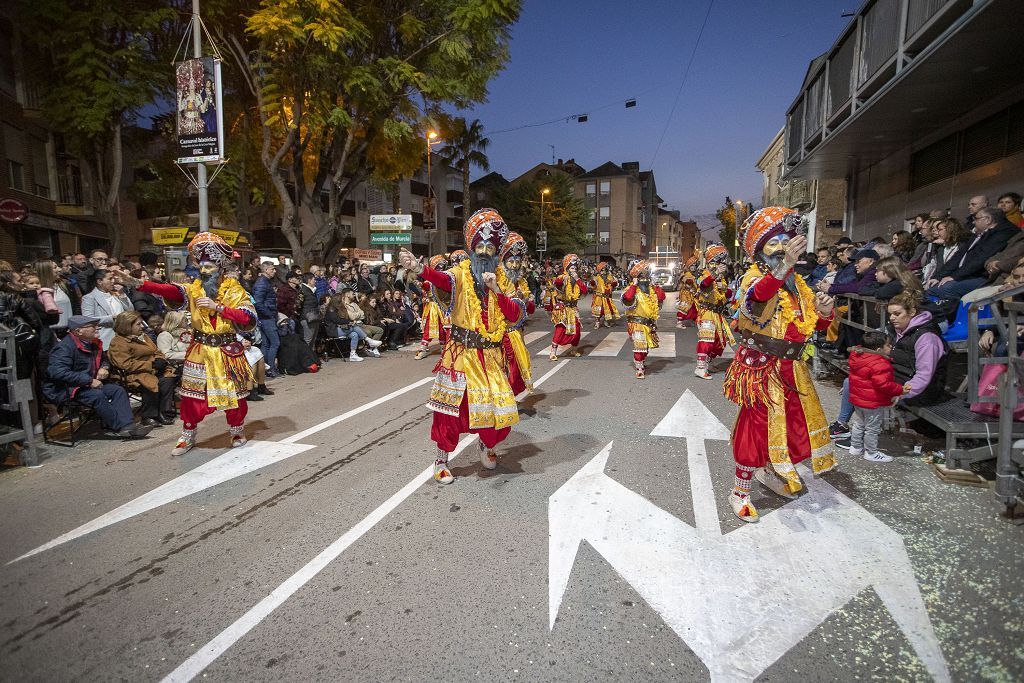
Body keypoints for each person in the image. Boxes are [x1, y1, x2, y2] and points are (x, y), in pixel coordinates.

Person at [723, 207, 837, 522]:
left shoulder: (798, 284)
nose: (785, 246)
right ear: (761, 250)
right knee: (756, 429)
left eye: (788, 240)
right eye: (776, 242)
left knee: (790, 427)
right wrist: (785, 264)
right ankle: (739, 492)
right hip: (761, 368)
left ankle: (772, 471)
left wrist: (825, 311)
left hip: (792, 368)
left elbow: (807, 326)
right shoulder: (755, 277)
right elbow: (757, 300)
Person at [398, 208, 526, 483]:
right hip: (460, 356)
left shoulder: (503, 280)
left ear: (495, 251)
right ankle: (441, 460)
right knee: (450, 414)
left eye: (489, 247)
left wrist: (497, 291)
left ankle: (486, 444)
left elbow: (515, 315)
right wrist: (421, 269)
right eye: (478, 246)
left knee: (497, 412)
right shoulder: (460, 272)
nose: (483, 251)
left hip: (491, 358)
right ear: (471, 247)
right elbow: (444, 281)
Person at [113, 233, 258, 455]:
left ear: (219, 267)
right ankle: (187, 435)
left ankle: (237, 431)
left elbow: (247, 318)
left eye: (208, 267)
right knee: (192, 398)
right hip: (199, 350)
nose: (203, 271)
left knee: (234, 396)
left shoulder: (235, 290)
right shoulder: (194, 288)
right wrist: (140, 284)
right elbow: (170, 290)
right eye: (201, 266)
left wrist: (218, 307)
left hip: (226, 350)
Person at [43, 315, 153, 439]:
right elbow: (57, 372)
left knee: (117, 390)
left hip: (87, 385)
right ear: (78, 331)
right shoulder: (64, 348)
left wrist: (104, 367)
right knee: (97, 395)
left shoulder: (93, 343)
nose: (97, 328)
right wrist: (89, 380)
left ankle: (128, 425)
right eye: (92, 326)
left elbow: (104, 359)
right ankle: (121, 427)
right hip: (64, 388)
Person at [107, 311, 177, 427]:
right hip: (132, 374)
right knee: (150, 381)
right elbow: (124, 364)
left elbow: (156, 351)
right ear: (127, 326)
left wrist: (160, 360)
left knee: (167, 379)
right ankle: (148, 415)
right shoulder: (118, 342)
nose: (142, 326)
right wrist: (151, 365)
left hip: (152, 369)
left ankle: (163, 412)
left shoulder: (144, 337)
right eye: (138, 324)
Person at [847, 330, 907, 463]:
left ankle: (855, 447)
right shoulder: (880, 363)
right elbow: (883, 385)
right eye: (888, 345)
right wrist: (900, 390)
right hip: (872, 401)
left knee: (859, 423)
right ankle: (871, 452)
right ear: (879, 349)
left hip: (858, 399)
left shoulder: (858, 356)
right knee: (872, 428)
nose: (890, 347)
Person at [887, 292, 949, 407]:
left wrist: (902, 392)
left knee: (873, 390)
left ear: (912, 312)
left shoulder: (927, 338)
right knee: (855, 381)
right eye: (890, 314)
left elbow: (924, 375)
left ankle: (872, 424)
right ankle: (845, 422)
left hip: (924, 390)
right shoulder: (897, 331)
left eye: (897, 314)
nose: (891, 318)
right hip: (900, 377)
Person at [499, 233, 535, 394]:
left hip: (516, 331)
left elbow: (530, 310)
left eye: (517, 261)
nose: (514, 265)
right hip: (499, 331)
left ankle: (509, 396)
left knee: (516, 365)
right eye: (511, 261)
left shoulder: (521, 282)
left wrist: (526, 300)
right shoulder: (497, 279)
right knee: (504, 366)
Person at [694, 244, 734, 380]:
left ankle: (708, 363)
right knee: (706, 340)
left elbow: (727, 295)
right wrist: (715, 275)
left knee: (718, 341)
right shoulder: (703, 274)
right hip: (706, 312)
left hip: (717, 314)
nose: (721, 265)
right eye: (718, 262)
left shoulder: (721, 278)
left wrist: (725, 288)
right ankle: (700, 367)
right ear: (712, 263)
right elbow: (703, 284)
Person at [620, 259, 665, 379]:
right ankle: (639, 368)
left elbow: (661, 297)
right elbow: (628, 298)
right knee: (639, 346)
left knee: (646, 347)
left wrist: (656, 285)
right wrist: (634, 285)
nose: (644, 277)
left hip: (649, 323)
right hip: (636, 323)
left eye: (646, 274)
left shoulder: (651, 289)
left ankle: (642, 362)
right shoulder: (631, 289)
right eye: (641, 275)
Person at [546, 254, 587, 360]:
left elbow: (584, 291)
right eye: (572, 268)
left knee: (577, 330)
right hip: (563, 308)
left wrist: (577, 279)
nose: (574, 270)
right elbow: (558, 283)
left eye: (575, 268)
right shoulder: (562, 277)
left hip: (573, 309)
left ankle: (574, 349)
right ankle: (553, 352)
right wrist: (562, 279)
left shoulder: (578, 280)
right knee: (560, 329)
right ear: (567, 268)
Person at [80, 269, 134, 349]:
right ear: (99, 281)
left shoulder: (116, 294)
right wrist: (111, 318)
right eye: (110, 279)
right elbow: (87, 319)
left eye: (113, 279)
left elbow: (130, 311)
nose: (113, 281)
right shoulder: (89, 298)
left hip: (123, 337)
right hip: (105, 337)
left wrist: (122, 294)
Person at [415, 255, 452, 360]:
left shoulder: (446, 278)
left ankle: (444, 348)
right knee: (428, 328)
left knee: (443, 328)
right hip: (432, 308)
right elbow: (426, 286)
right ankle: (423, 349)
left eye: (442, 266)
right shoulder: (429, 280)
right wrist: (420, 284)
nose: (441, 268)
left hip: (443, 307)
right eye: (438, 266)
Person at [252, 262, 280, 377]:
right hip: (266, 317)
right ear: (266, 270)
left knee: (266, 344)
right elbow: (258, 303)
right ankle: (270, 369)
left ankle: (265, 369)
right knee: (275, 342)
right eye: (272, 269)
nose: (274, 271)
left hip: (266, 316)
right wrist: (269, 314)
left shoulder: (265, 282)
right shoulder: (262, 283)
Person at [589, 261, 620, 329]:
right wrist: (593, 283)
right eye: (602, 270)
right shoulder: (597, 277)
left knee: (609, 310)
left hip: (607, 297)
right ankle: (597, 322)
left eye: (605, 270)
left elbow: (614, 285)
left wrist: (613, 284)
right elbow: (593, 286)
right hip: (599, 297)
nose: (603, 271)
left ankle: (606, 321)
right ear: (599, 271)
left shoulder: (610, 277)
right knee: (599, 311)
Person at [676, 254, 701, 328]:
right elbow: (687, 284)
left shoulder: (693, 274)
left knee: (694, 307)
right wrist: (691, 289)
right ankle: (679, 323)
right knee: (684, 307)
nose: (694, 268)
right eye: (693, 266)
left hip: (691, 294)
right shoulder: (688, 275)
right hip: (686, 294)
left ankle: (693, 321)